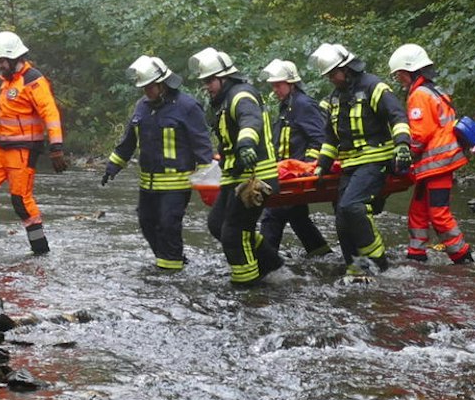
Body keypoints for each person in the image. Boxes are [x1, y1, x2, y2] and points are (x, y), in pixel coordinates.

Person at [308, 42, 411, 278]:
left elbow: (397, 116)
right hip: (350, 164)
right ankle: (356, 269)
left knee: (352, 206)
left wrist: (403, 145)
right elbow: (330, 138)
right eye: (328, 75)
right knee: (342, 218)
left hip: (376, 160)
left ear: (347, 68)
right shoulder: (335, 98)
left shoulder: (373, 87)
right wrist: (322, 166)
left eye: (334, 73)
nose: (331, 79)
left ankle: (381, 265)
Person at [103, 55, 213, 271]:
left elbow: (202, 144)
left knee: (168, 225)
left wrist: (207, 179)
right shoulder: (141, 107)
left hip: (176, 184)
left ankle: (169, 272)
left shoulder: (187, 107)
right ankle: (171, 260)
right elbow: (129, 141)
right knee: (146, 224)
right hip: (148, 184)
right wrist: (113, 165)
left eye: (150, 87)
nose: (147, 92)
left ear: (163, 84)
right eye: (144, 88)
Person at [189, 47, 283, 286]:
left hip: (256, 177)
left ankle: (248, 287)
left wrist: (246, 144)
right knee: (217, 225)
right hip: (235, 176)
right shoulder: (222, 102)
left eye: (210, 80)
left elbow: (249, 121)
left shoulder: (241, 95)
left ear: (225, 77)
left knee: (234, 233)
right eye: (204, 81)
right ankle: (271, 265)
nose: (207, 86)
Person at [0, 30, 67, 255]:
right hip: (1, 148)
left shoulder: (33, 80)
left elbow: (50, 113)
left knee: (21, 202)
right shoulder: (8, 82)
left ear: (14, 57)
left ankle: (41, 250)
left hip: (23, 150)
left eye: (2, 61)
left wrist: (56, 147)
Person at [388, 44, 473, 264]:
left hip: (438, 165)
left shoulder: (419, 95)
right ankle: (416, 255)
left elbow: (419, 135)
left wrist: (403, 157)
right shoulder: (434, 91)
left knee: (438, 213)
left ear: (410, 71)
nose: (399, 80)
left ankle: (462, 257)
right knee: (418, 211)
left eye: (400, 75)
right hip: (436, 165)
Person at [257, 59, 333, 261]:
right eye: (273, 85)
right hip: (285, 173)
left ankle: (265, 262)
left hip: (296, 174)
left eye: (278, 85)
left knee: (272, 215)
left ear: (291, 83)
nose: (275, 89)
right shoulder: (287, 106)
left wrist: (307, 167)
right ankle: (322, 255)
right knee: (297, 218)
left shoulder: (303, 104)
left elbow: (319, 138)